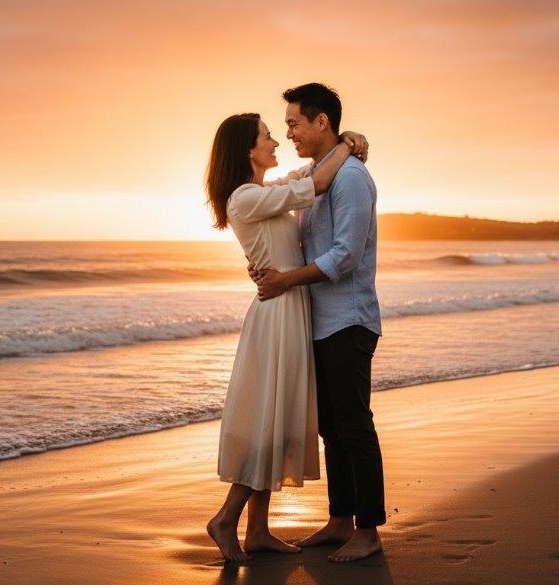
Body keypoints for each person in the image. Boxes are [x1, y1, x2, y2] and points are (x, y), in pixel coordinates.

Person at [204, 112, 368, 562]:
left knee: (275, 418)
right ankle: (226, 519)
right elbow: (314, 185)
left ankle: (257, 531)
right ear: (247, 150)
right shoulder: (245, 197)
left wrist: (345, 142)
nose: (276, 141)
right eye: (266, 137)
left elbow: (307, 175)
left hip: (291, 308)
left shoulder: (266, 193)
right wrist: (349, 146)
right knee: (267, 421)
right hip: (276, 314)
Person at [253, 83, 384, 563]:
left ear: (321, 122)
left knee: (354, 426)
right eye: (284, 125)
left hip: (349, 320)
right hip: (320, 322)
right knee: (330, 426)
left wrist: (286, 279)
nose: (288, 133)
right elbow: (283, 207)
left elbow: (345, 256)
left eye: (293, 123)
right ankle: (340, 520)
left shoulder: (351, 179)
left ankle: (368, 532)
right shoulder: (316, 172)